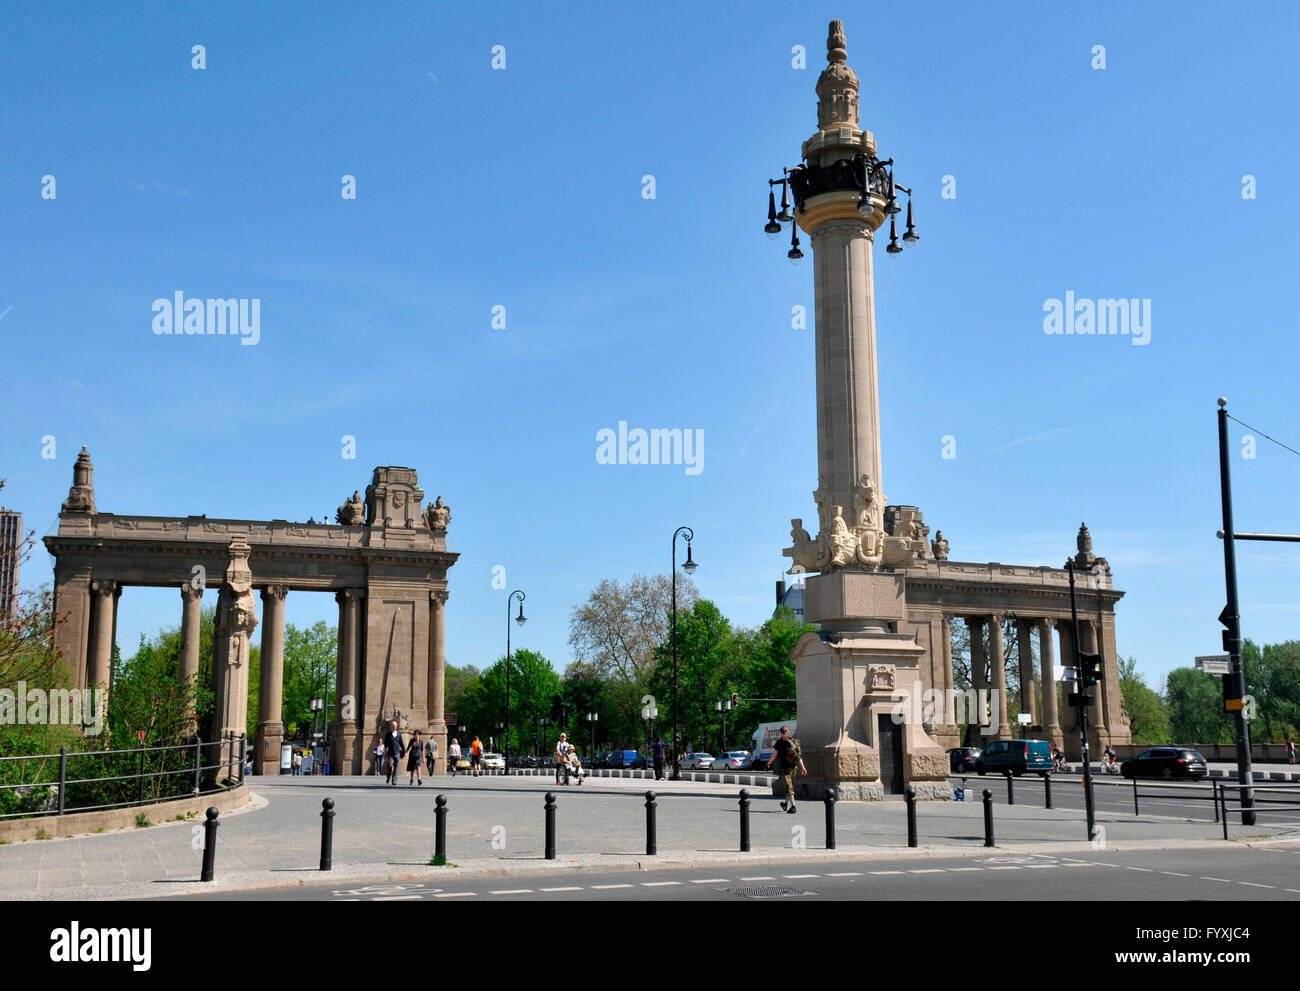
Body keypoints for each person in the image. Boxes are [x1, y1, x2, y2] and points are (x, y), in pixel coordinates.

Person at [772, 725, 805, 814]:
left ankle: (787, 804)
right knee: (789, 788)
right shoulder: (793, 742)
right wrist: (803, 768)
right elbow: (799, 757)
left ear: (781, 733)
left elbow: (798, 756)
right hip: (790, 768)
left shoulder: (789, 742)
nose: (784, 734)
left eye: (784, 733)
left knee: (789, 788)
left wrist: (770, 762)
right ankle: (792, 805)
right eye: (784, 733)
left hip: (790, 768)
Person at [383, 720, 404, 786]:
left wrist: (404, 751)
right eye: (393, 726)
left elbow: (401, 743)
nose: (395, 727)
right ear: (391, 726)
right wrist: (385, 755)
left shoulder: (399, 734)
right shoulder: (388, 734)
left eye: (395, 726)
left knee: (396, 767)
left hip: (397, 753)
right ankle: (388, 776)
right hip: (390, 753)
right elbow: (385, 745)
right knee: (390, 765)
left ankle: (394, 780)